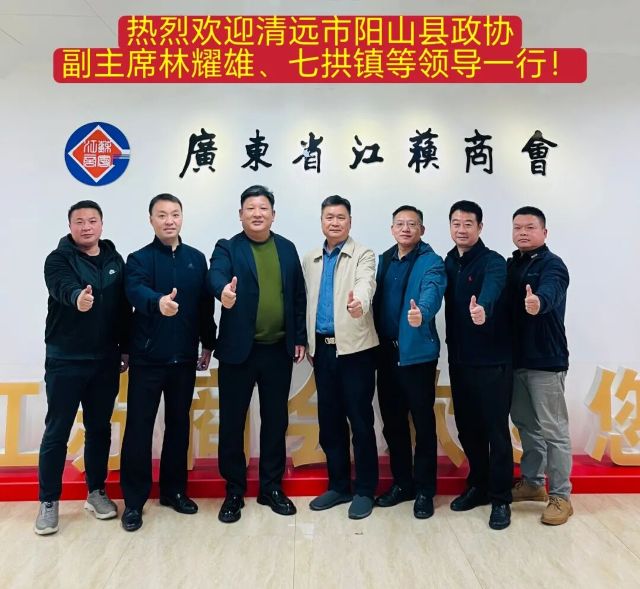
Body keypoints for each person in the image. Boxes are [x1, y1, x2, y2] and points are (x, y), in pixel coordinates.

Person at [209, 185, 306, 524]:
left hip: (277, 350)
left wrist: (299, 336)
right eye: (250, 208)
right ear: (240, 214)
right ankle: (234, 490)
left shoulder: (287, 248)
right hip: (238, 351)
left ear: (273, 215)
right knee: (232, 422)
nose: (257, 213)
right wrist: (223, 292)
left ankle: (270, 487)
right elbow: (215, 275)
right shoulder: (228, 247)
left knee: (275, 420)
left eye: (263, 208)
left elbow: (297, 295)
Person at [120, 194, 215, 532]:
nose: (169, 220)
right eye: (161, 215)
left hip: (183, 359)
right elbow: (134, 292)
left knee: (178, 426)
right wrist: (157, 302)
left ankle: (174, 491)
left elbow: (204, 305)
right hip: (147, 359)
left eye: (175, 214)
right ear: (151, 220)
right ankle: (134, 502)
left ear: (182, 218)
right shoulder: (138, 259)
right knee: (139, 428)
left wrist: (208, 342)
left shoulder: (195, 259)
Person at [35, 200, 130, 536]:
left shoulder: (115, 261)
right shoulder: (57, 259)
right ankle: (48, 501)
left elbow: (122, 310)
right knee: (57, 431)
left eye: (92, 221)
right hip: (66, 359)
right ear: (70, 226)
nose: (86, 227)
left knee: (99, 428)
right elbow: (61, 286)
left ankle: (96, 492)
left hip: (105, 360)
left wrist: (125, 348)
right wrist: (78, 297)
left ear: (101, 225)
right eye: (79, 221)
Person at [303, 195, 379, 520]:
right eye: (329, 217)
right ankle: (338, 486)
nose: (334, 222)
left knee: (360, 422)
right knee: (329, 421)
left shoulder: (363, 254)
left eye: (341, 217)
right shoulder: (310, 259)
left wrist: (359, 303)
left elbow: (366, 284)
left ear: (350, 221)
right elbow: (304, 300)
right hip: (322, 350)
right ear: (322, 221)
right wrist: (305, 341)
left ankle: (364, 490)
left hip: (356, 351)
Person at [372, 205, 446, 519]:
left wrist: (422, 313)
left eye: (412, 224)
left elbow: (432, 291)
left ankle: (425, 490)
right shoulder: (382, 260)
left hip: (416, 356)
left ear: (422, 230)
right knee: (393, 423)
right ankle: (402, 484)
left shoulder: (432, 261)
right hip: (386, 354)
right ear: (392, 229)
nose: (405, 229)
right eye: (400, 224)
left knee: (423, 424)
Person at [444, 201, 513, 530]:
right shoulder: (448, 261)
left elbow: (493, 289)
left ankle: (500, 498)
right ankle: (479, 485)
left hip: (492, 362)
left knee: (495, 432)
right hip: (460, 359)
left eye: (468, 223)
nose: (461, 229)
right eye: (456, 223)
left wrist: (483, 308)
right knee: (468, 428)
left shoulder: (493, 262)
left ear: (480, 227)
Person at [508, 206, 572, 525]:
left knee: (553, 430)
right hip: (515, 360)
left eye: (530, 227)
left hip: (546, 361)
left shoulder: (553, 265)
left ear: (544, 232)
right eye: (517, 227)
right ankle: (533, 483)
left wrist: (539, 302)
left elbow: (551, 291)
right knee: (525, 424)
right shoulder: (511, 265)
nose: (523, 232)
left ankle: (560, 496)